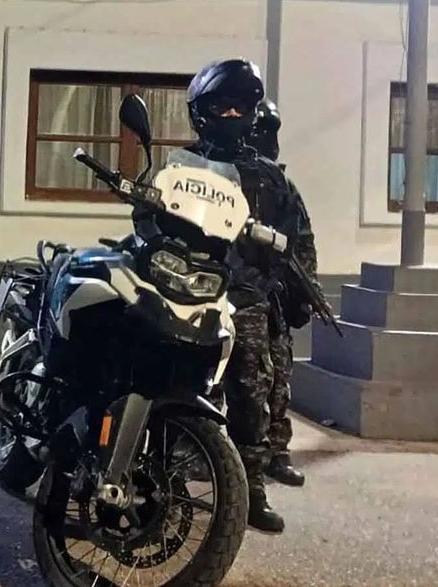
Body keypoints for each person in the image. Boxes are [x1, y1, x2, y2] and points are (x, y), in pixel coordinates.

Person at [182, 59, 318, 534]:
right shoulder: (182, 167)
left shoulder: (271, 178)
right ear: (202, 111)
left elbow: (295, 239)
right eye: (221, 106)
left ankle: (250, 490)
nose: (231, 115)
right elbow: (150, 217)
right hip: (186, 288)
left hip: (245, 299)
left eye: (240, 107)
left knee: (250, 392)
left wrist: (284, 288)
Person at [251, 98, 312, 488]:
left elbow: (302, 240)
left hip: (272, 293)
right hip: (230, 289)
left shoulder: (281, 186)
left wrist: (304, 292)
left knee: (277, 375)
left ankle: (276, 452)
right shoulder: (220, 175)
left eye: (268, 131)